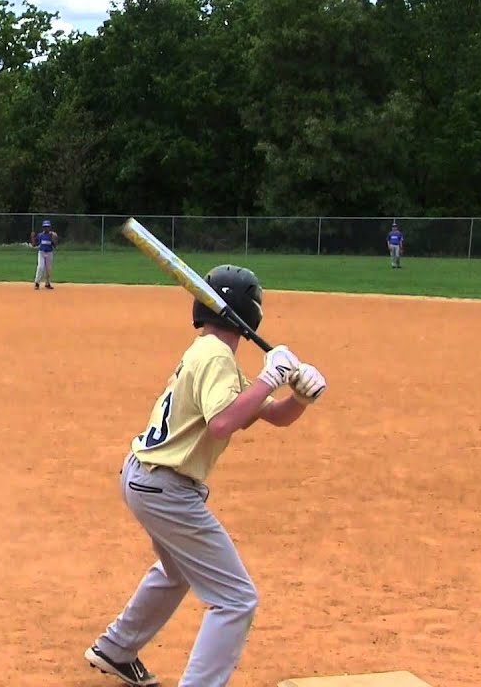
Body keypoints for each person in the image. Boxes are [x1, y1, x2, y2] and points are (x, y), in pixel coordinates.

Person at [83, 264, 326, 687]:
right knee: (236, 599)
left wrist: (298, 399)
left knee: (177, 572)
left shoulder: (210, 352)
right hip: (166, 487)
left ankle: (116, 648)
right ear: (251, 314)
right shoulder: (215, 356)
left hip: (146, 478)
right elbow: (222, 424)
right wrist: (271, 376)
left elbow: (262, 414)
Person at [30, 219, 58, 290]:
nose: (46, 228)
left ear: (50, 227)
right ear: (43, 227)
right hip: (41, 253)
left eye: (47, 226)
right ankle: (37, 283)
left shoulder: (52, 235)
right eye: (45, 226)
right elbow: (34, 245)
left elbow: (55, 246)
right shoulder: (40, 235)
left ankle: (47, 283)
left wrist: (54, 239)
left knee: (48, 269)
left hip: (49, 253)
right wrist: (32, 237)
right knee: (40, 267)